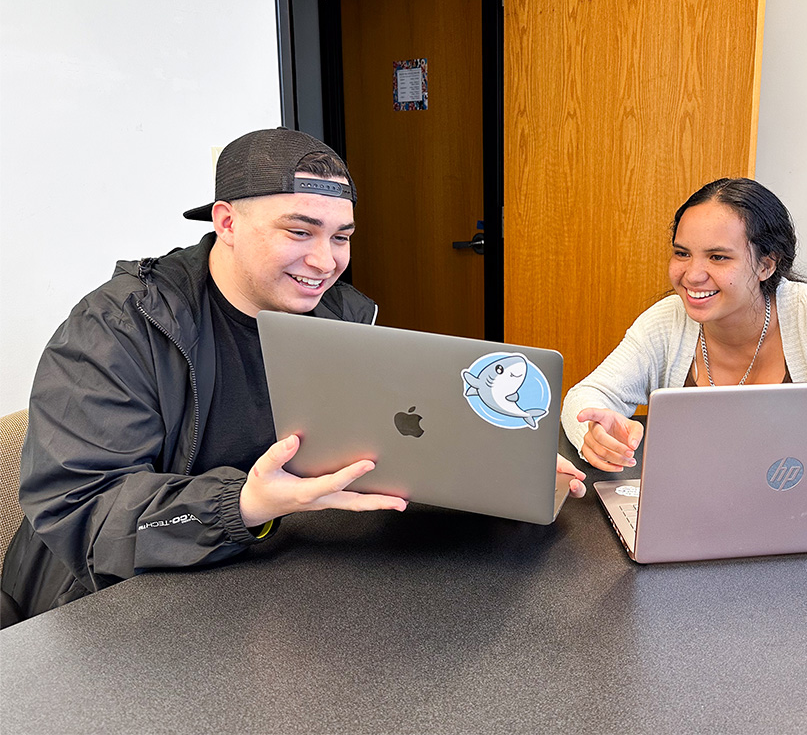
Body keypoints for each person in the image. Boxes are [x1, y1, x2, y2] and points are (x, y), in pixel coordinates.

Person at [1, 127, 584, 627]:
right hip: (106, 605)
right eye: (300, 232)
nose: (325, 261)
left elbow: (388, 444)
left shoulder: (345, 316)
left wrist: (495, 467)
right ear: (227, 222)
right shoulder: (119, 326)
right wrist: (243, 502)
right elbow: (79, 509)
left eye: (341, 237)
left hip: (265, 587)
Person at [560, 177, 807, 478]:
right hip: (700, 517)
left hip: (805, 522)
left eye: (718, 256)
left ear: (766, 265)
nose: (692, 275)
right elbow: (588, 396)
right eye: (682, 253)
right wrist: (597, 435)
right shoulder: (668, 319)